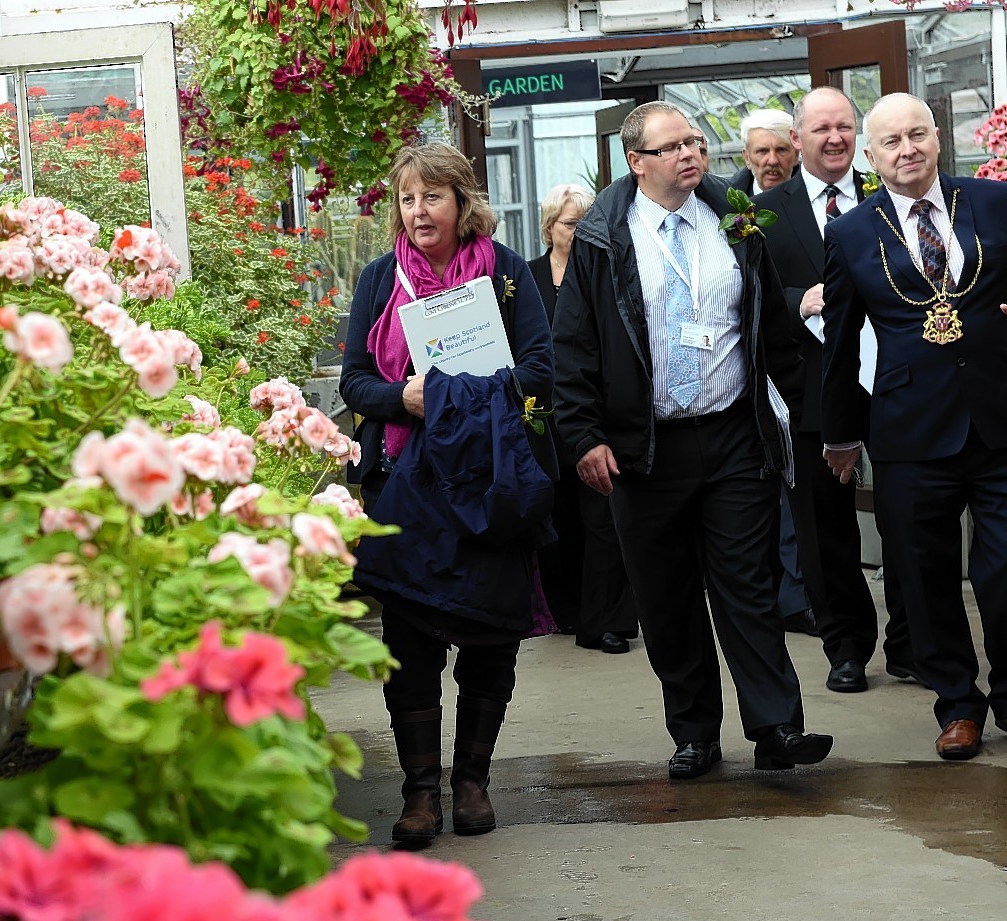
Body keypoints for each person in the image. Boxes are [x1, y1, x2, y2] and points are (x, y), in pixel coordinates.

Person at [552, 100, 834, 780]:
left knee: (747, 586)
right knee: (666, 596)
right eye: (673, 145)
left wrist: (797, 413)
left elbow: (766, 320)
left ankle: (777, 727)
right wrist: (584, 434)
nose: (691, 154)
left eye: (696, 141)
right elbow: (574, 345)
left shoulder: (734, 216)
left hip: (734, 433)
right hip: (645, 448)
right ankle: (695, 732)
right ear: (636, 162)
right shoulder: (600, 237)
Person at [340, 142, 554, 845]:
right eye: (407, 198)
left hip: (490, 484)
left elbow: (542, 366)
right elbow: (354, 384)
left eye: (432, 196)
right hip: (407, 486)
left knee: (492, 640)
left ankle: (472, 785)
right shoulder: (379, 280)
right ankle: (420, 795)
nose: (418, 210)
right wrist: (404, 397)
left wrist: (466, 396)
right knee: (412, 643)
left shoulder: (507, 274)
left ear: (464, 204)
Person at [821, 92, 1007, 761]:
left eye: (917, 136)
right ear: (872, 157)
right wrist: (839, 434)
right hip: (906, 428)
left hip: (998, 415)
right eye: (892, 142)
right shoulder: (850, 233)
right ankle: (958, 704)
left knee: (1002, 569)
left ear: (937, 139)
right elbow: (839, 342)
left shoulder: (993, 202)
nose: (907, 150)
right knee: (925, 579)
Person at [755, 85, 917, 694]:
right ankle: (845, 646)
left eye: (845, 127)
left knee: (908, 518)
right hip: (811, 390)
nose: (834, 139)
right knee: (824, 531)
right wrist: (801, 301)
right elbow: (757, 301)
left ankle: (910, 643)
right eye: (821, 128)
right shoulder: (771, 211)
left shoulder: (889, 197)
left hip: (897, 386)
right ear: (798, 140)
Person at [531, 183, 638, 656]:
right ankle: (564, 610)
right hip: (542, 418)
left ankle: (608, 621)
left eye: (584, 223)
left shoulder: (604, 270)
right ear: (550, 227)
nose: (578, 232)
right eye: (570, 224)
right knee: (557, 518)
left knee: (603, 519)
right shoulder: (527, 278)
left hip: (595, 414)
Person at [728, 109, 796, 195]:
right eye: (762, 151)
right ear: (747, 158)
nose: (773, 161)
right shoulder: (725, 202)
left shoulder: (814, 192)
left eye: (781, 150)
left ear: (796, 155)